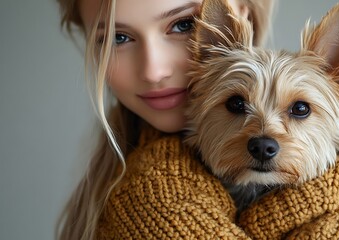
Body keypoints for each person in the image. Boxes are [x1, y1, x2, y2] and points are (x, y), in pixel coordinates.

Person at [55, 0, 275, 239]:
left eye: (184, 25)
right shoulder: (154, 201)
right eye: (117, 38)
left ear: (245, 17)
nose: (153, 71)